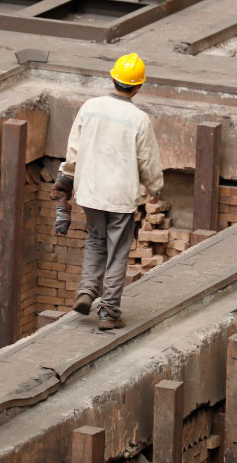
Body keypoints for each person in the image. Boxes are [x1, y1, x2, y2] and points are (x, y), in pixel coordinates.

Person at [51, 53, 164, 330]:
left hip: (90, 192)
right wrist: (155, 188)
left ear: (113, 78)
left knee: (95, 240)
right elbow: (147, 161)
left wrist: (67, 175)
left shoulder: (90, 107)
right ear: (138, 86)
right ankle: (109, 312)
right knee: (117, 252)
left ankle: (87, 290)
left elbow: (74, 149)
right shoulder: (139, 119)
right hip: (120, 198)